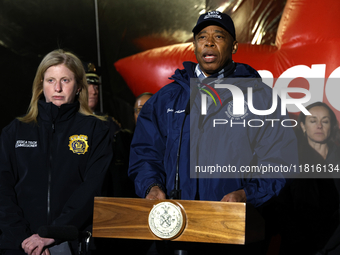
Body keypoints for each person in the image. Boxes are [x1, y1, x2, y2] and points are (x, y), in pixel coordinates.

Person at [128, 11, 298, 254]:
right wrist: (151, 186)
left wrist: (246, 194)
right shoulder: (167, 98)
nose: (209, 42)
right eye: (202, 37)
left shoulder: (260, 98)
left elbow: (280, 160)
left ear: (234, 46)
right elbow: (145, 152)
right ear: (195, 45)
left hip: (232, 232)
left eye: (219, 36)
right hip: (172, 232)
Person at [0, 49, 113, 255]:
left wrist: (52, 234)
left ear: (79, 86)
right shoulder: (15, 131)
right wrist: (24, 239)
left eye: (65, 80)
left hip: (71, 244)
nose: (57, 88)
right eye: (50, 80)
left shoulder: (96, 131)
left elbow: (92, 190)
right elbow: (2, 189)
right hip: (20, 244)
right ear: (40, 85)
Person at [278, 102, 340, 255]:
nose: (319, 126)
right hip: (298, 245)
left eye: (325, 121)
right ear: (303, 126)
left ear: (331, 126)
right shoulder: (288, 159)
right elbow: (281, 207)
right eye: (313, 120)